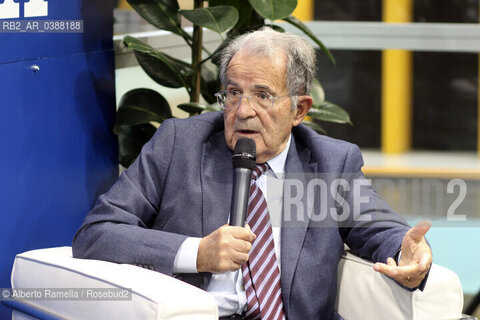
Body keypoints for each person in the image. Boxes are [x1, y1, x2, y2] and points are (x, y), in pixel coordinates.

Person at [73, 27, 432, 320]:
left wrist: (407, 252)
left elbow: (381, 228)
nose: (243, 111)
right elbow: (96, 233)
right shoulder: (180, 144)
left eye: (262, 95)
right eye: (233, 93)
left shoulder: (329, 164)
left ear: (299, 109)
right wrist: (196, 252)